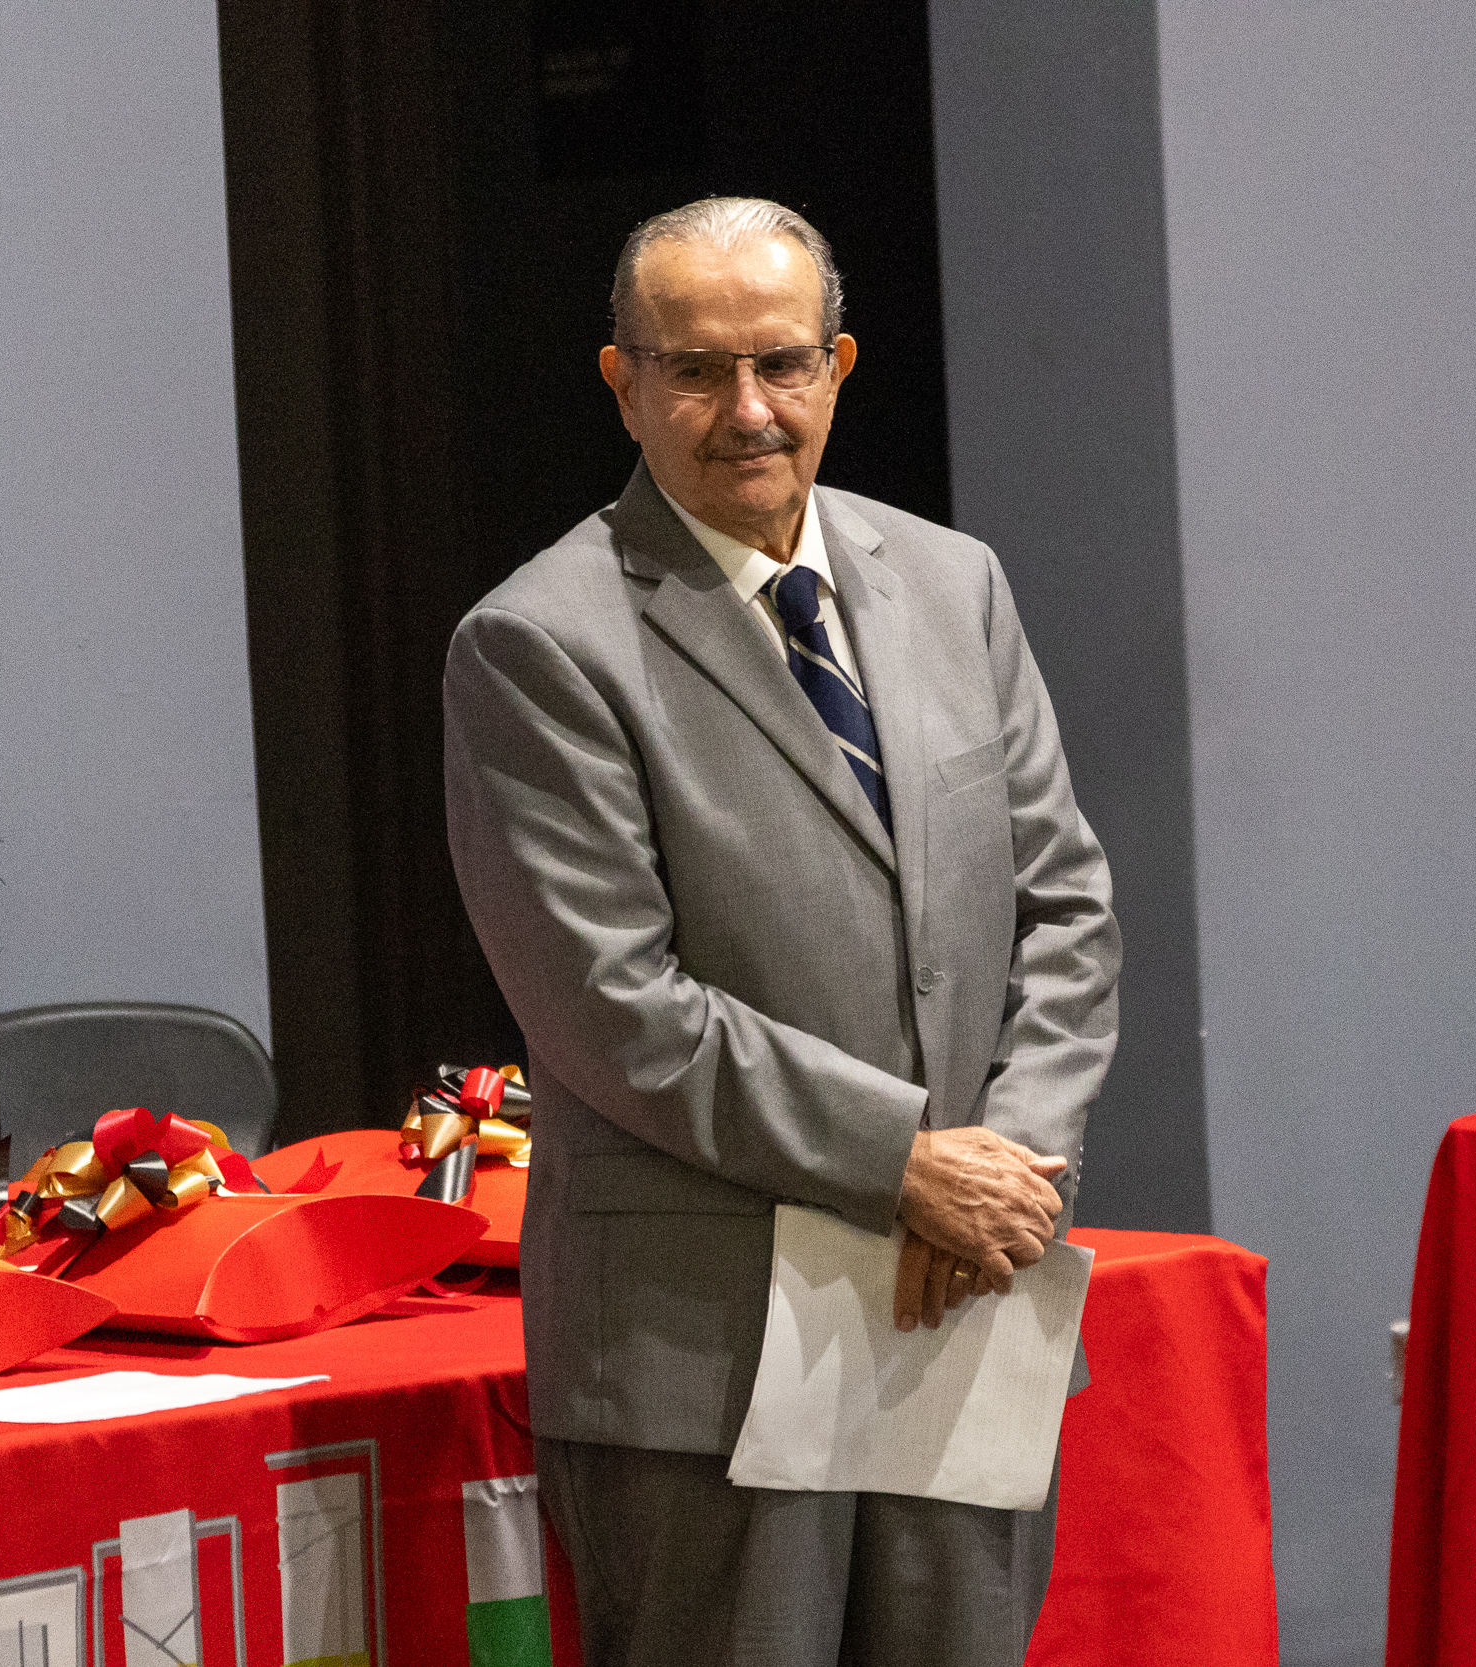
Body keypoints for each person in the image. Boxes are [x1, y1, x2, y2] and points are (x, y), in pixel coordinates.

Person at [442, 196, 1120, 1667]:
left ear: (840, 366)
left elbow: (1066, 907)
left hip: (964, 1302)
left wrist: (1013, 1167)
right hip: (706, 1362)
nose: (747, 410)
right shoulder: (539, 643)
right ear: (622, 382)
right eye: (695, 370)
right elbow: (617, 1010)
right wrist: (906, 1165)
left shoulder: (955, 583)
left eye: (782, 364)